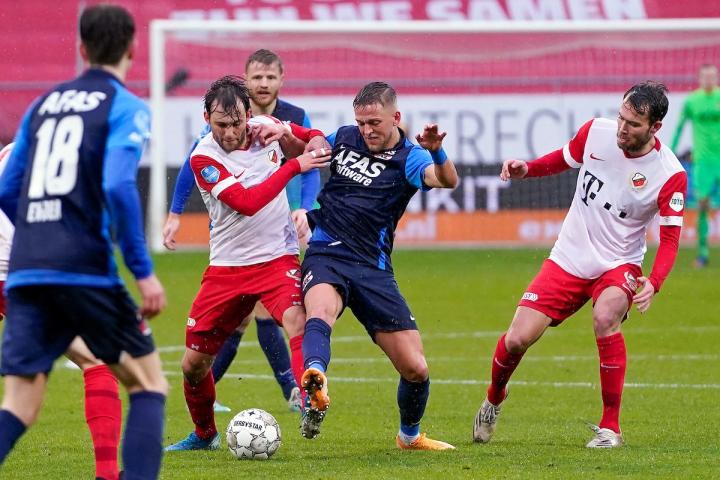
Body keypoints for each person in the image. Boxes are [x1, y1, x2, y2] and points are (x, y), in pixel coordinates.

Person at [0, 5, 168, 479]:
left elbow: (7, 190)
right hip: (82, 268)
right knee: (148, 384)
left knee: (20, 403)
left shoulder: (43, 105)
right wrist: (142, 271)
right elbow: (117, 185)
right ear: (133, 48)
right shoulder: (126, 106)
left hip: (26, 270)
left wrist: (39, 236)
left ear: (81, 48)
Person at [473, 81, 687, 448]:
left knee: (606, 317)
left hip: (619, 263)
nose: (622, 128)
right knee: (517, 339)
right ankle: (494, 398)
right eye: (621, 118)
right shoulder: (597, 132)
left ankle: (610, 429)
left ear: (655, 128)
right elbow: (564, 158)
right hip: (569, 257)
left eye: (633, 124)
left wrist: (655, 280)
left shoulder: (670, 174)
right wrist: (528, 169)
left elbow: (669, 239)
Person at [164, 75, 330, 451]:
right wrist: (295, 165)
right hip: (227, 267)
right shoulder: (204, 157)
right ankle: (204, 435)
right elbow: (247, 202)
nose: (229, 132)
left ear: (248, 115)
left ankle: (310, 401)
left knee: (297, 320)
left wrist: (308, 137)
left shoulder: (264, 127)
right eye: (221, 124)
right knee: (193, 364)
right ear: (206, 118)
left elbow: (314, 137)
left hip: (277, 258)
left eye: (236, 123)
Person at [298, 81, 459, 450]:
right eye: (361, 123)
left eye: (374, 123)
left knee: (416, 368)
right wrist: (296, 137)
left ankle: (409, 437)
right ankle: (315, 379)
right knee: (320, 312)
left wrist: (437, 151)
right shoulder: (344, 137)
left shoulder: (411, 157)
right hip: (326, 252)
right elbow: (309, 149)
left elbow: (447, 180)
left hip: (373, 268)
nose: (366, 130)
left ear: (395, 117)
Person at [0, 144, 123, 480]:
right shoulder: (64, 158)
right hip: (26, 276)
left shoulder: (15, 149)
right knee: (96, 360)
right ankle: (107, 474)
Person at [670, 64, 720, 268]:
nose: (709, 80)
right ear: (700, 79)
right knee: (702, 205)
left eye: (712, 76)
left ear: (716, 78)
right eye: (705, 77)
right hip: (703, 161)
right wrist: (671, 152)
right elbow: (679, 127)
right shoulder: (692, 101)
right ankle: (703, 253)